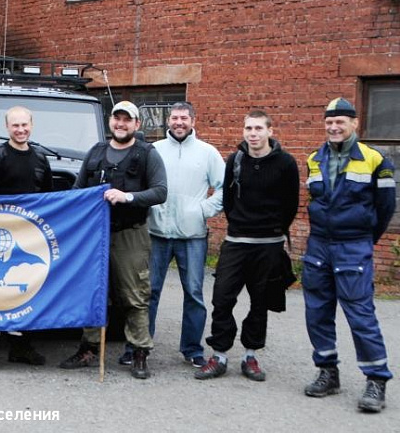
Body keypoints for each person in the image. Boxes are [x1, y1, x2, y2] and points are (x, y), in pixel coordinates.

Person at [59, 101, 167, 379]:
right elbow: (77, 190)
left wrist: (127, 196)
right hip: (95, 236)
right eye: (117, 119)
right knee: (93, 292)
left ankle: (139, 351)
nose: (121, 124)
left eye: (127, 120)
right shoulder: (95, 153)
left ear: (136, 125)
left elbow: (160, 192)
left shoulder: (146, 154)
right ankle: (89, 348)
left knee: (134, 295)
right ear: (110, 122)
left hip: (130, 234)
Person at [302, 98, 396, 413]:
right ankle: (328, 372)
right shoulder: (314, 158)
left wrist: (366, 239)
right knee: (317, 312)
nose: (334, 127)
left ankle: (376, 380)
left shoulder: (375, 159)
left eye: (341, 121)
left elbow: (385, 208)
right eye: (329, 122)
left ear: (355, 123)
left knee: (360, 315)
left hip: (353, 245)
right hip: (318, 245)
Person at [194, 110, 299, 382]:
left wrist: (273, 229)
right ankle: (219, 355)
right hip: (237, 242)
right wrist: (240, 224)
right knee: (222, 298)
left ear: (270, 131)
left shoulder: (286, 163)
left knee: (260, 303)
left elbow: (291, 204)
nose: (253, 134)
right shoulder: (235, 160)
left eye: (258, 129)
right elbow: (228, 200)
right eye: (248, 128)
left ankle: (250, 355)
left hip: (269, 245)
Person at [144, 101, 224, 368]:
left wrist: (202, 210)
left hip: (192, 235)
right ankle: (140, 345)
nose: (179, 122)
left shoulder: (207, 153)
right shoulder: (154, 151)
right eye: (175, 118)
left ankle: (192, 348)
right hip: (157, 233)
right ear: (168, 121)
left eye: (184, 118)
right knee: (149, 291)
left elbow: (224, 188)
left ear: (193, 120)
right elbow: (142, 185)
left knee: (194, 292)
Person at [0, 105, 52, 371]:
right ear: (7, 127)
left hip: (28, 239)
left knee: (24, 290)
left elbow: (48, 201)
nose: (20, 130)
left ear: (32, 125)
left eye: (24, 125)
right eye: (15, 125)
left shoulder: (41, 159)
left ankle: (20, 347)